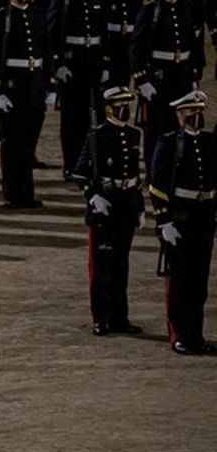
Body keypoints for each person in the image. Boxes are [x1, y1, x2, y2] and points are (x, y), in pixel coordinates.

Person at [149, 91, 216, 355]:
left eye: (200, 112)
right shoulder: (168, 143)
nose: (197, 117)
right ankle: (180, 335)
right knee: (180, 280)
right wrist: (164, 219)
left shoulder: (211, 142)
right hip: (181, 217)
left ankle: (196, 334)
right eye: (191, 113)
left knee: (199, 280)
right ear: (180, 115)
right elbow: (157, 184)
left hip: (204, 215)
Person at [75, 87, 145, 337]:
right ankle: (101, 317)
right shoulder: (97, 136)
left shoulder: (134, 134)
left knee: (121, 265)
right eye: (119, 106)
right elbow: (81, 172)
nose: (124, 110)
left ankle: (119, 317)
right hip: (105, 206)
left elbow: (135, 175)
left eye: (127, 105)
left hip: (126, 204)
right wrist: (93, 196)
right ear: (108, 109)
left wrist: (140, 207)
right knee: (101, 266)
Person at [0, 0, 56, 209]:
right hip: (14, 85)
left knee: (29, 141)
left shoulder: (37, 15)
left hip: (34, 83)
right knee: (13, 143)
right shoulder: (1, 17)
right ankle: (14, 193)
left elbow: (45, 49)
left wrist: (49, 82)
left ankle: (26, 191)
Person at [132, 0, 206, 168]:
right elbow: (136, 48)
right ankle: (153, 171)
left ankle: (176, 167)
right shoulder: (150, 11)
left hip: (181, 73)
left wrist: (194, 75)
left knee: (181, 124)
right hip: (159, 75)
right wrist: (142, 79)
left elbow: (193, 44)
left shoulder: (186, 9)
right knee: (156, 127)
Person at [49, 0, 110, 177]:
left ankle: (95, 162)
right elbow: (52, 34)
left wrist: (105, 63)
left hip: (93, 60)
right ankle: (72, 164)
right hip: (73, 65)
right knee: (72, 119)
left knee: (98, 116)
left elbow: (104, 32)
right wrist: (58, 64)